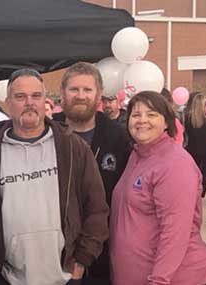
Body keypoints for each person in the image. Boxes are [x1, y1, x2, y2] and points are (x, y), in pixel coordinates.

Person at [0, 68, 109, 285]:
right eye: (20, 97)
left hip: (66, 277)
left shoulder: (72, 148)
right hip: (9, 279)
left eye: (36, 96)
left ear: (45, 100)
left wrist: (81, 262)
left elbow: (96, 209)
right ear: (8, 101)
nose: (29, 103)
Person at [110, 91, 206, 285]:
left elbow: (175, 232)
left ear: (166, 122)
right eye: (136, 114)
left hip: (174, 279)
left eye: (151, 114)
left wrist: (159, 280)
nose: (142, 120)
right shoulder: (137, 156)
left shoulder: (175, 163)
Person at [51, 62, 131, 284]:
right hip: (51, 250)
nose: (80, 96)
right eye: (74, 89)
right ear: (62, 93)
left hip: (101, 252)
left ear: (99, 95)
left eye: (87, 90)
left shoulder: (118, 138)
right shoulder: (48, 132)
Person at [184, 92, 206, 197]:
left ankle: (194, 190)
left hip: (193, 149)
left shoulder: (188, 118)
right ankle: (202, 192)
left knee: (194, 172)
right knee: (205, 172)